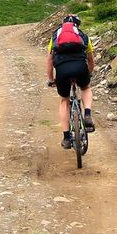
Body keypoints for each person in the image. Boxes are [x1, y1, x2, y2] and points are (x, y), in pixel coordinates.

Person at [46, 14, 96, 149]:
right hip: (80, 67)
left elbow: (50, 61)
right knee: (85, 88)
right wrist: (88, 73)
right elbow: (91, 60)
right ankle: (87, 114)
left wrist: (51, 79)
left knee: (64, 100)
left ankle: (67, 137)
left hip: (62, 70)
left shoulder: (55, 37)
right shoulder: (83, 36)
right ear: (77, 25)